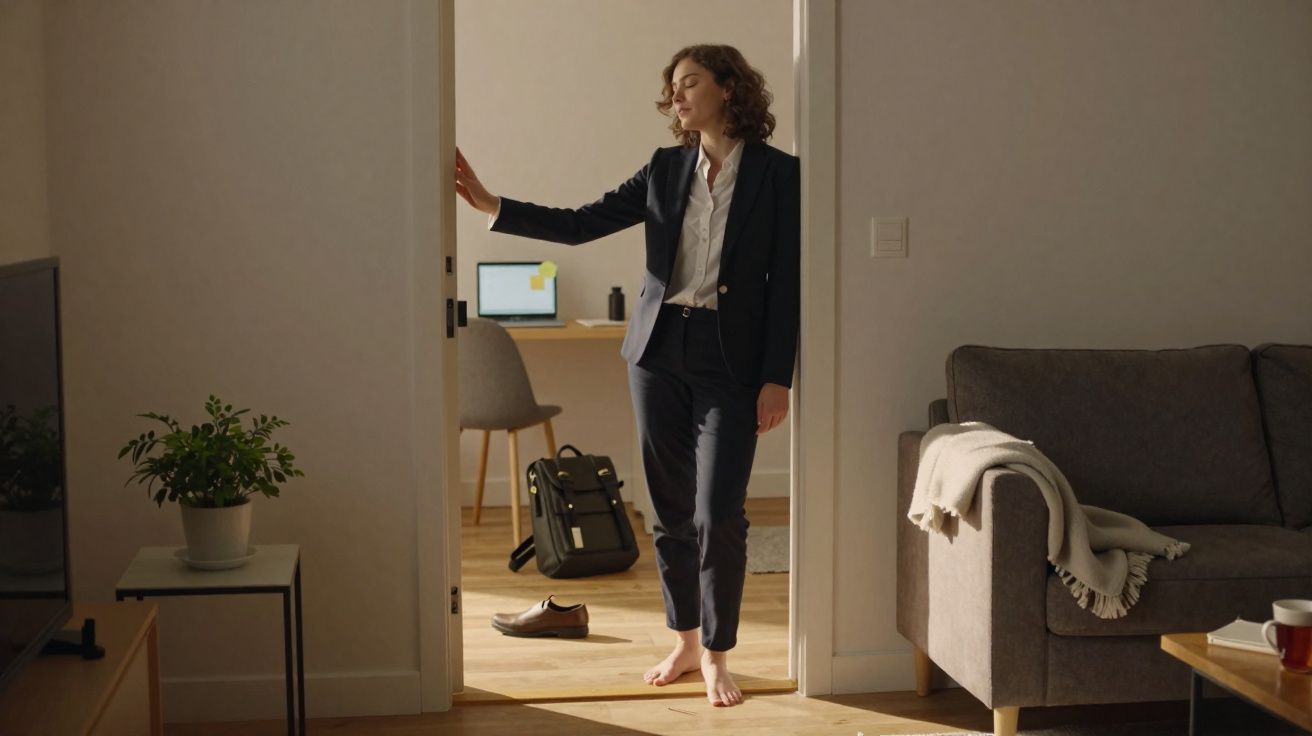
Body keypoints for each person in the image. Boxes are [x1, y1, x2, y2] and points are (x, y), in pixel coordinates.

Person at [454, 43, 800, 708]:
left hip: (731, 360)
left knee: (719, 513)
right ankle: (686, 641)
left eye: (690, 83)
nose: (677, 96)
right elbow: (583, 224)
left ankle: (719, 654)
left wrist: (776, 377)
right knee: (670, 509)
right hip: (658, 351)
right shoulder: (665, 168)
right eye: (673, 87)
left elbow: (786, 282)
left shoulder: (779, 175)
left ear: (728, 88)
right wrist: (494, 205)